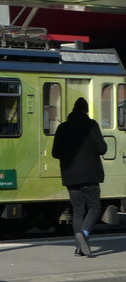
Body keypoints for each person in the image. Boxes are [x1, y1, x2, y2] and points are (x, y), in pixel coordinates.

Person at [50, 97, 107, 257]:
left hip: (71, 177)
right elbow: (102, 149)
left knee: (78, 211)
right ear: (86, 111)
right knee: (95, 207)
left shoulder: (63, 127)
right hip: (90, 176)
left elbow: (55, 153)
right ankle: (84, 233)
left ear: (73, 111)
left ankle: (79, 248)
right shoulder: (91, 125)